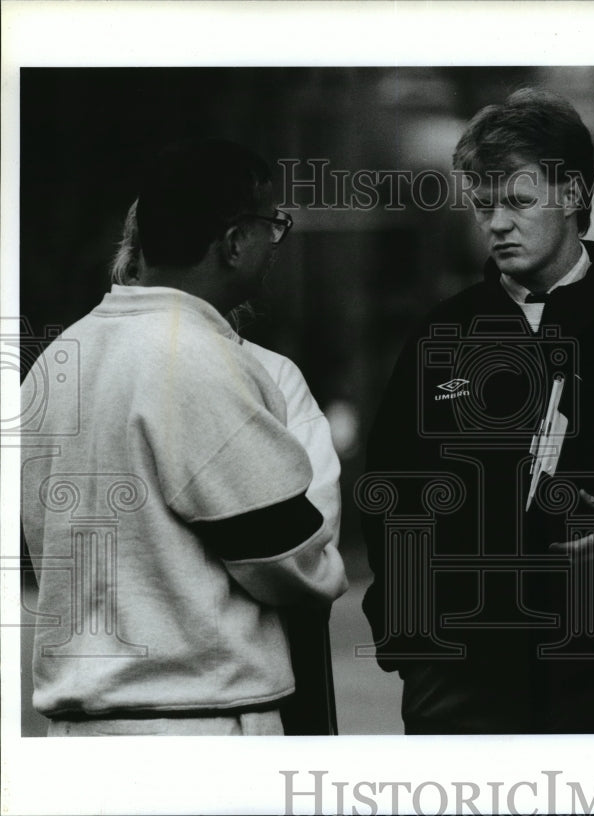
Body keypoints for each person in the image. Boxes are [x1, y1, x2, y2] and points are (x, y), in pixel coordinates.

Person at [360, 88, 594, 733]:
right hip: (466, 684)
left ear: (572, 195)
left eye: (517, 202)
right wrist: (413, 644)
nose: (496, 224)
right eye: (483, 204)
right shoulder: (445, 334)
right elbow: (389, 492)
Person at [20, 139, 348, 736]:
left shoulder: (60, 356)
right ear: (234, 242)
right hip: (195, 721)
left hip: (75, 729)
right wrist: (323, 568)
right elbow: (284, 552)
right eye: (272, 226)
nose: (275, 244)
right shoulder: (198, 357)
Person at [109, 199, 344, 735]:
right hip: (185, 697)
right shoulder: (87, 368)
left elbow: (311, 540)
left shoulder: (273, 376)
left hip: (242, 685)